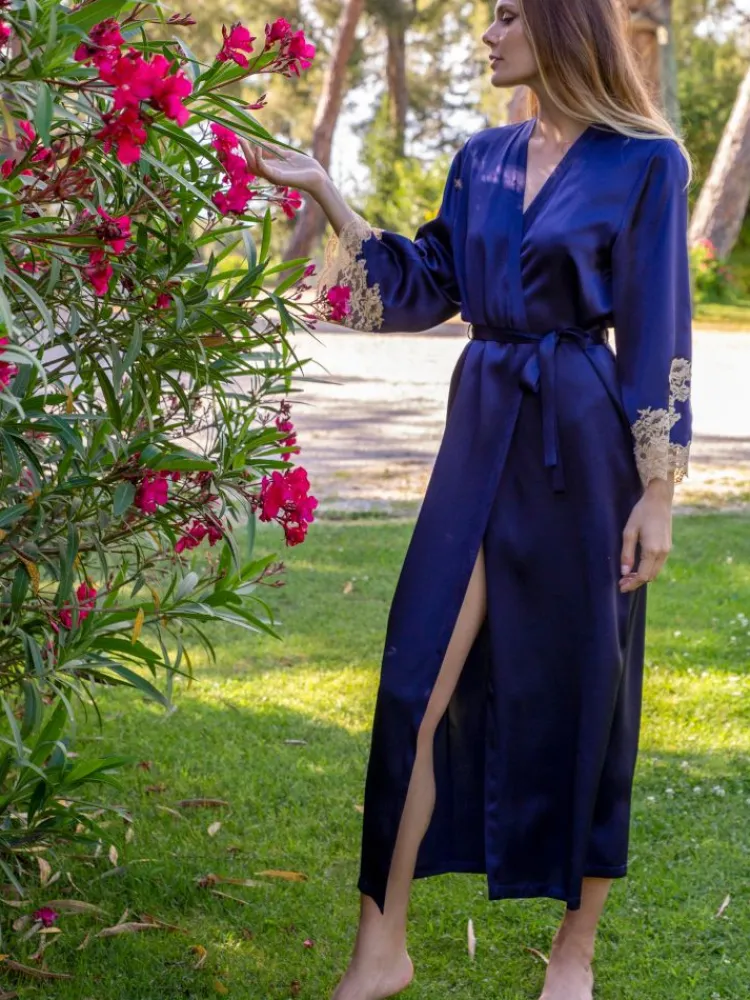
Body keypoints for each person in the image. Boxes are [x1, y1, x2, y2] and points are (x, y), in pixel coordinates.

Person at [240, 0, 694, 996]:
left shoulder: (646, 162)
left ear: (562, 25)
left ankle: (573, 955)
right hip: (481, 431)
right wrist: (327, 191)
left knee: (591, 691)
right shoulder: (481, 158)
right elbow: (417, 286)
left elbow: (657, 328)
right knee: (414, 687)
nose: (488, 35)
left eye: (507, 16)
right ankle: (380, 950)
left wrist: (658, 491)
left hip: (584, 447)